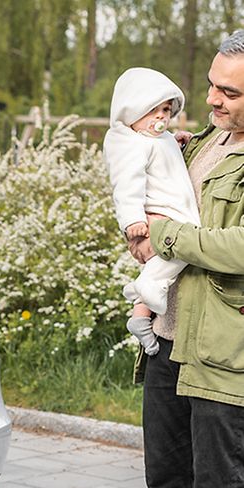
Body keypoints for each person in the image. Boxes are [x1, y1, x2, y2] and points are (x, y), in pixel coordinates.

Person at [129, 30, 244, 488]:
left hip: (223, 355)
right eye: (211, 86)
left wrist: (166, 236)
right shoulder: (199, 143)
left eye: (231, 93)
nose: (214, 100)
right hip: (168, 343)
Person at [104, 67, 201, 356]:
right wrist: (132, 219)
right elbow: (126, 184)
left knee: (163, 265)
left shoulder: (160, 138)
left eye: (166, 110)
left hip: (177, 211)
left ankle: (140, 315)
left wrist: (178, 141)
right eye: (152, 111)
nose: (161, 117)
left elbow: (168, 161)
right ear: (131, 110)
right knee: (174, 256)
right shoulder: (130, 144)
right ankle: (145, 294)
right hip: (162, 211)